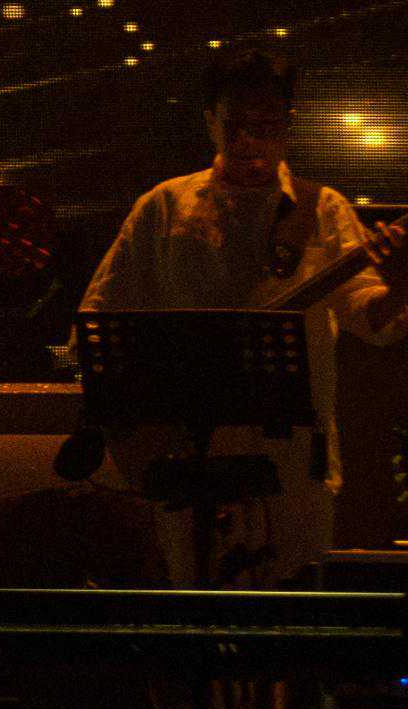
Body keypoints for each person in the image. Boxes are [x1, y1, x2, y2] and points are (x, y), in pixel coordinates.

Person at [77, 47, 406, 584]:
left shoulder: (323, 209)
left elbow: (373, 321)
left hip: (292, 457)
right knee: (193, 596)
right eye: (236, 126)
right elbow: (100, 319)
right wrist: (131, 422)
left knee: (292, 598)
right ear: (210, 121)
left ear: (288, 126)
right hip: (182, 452)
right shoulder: (163, 206)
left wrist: (401, 283)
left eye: (267, 126)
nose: (251, 141)